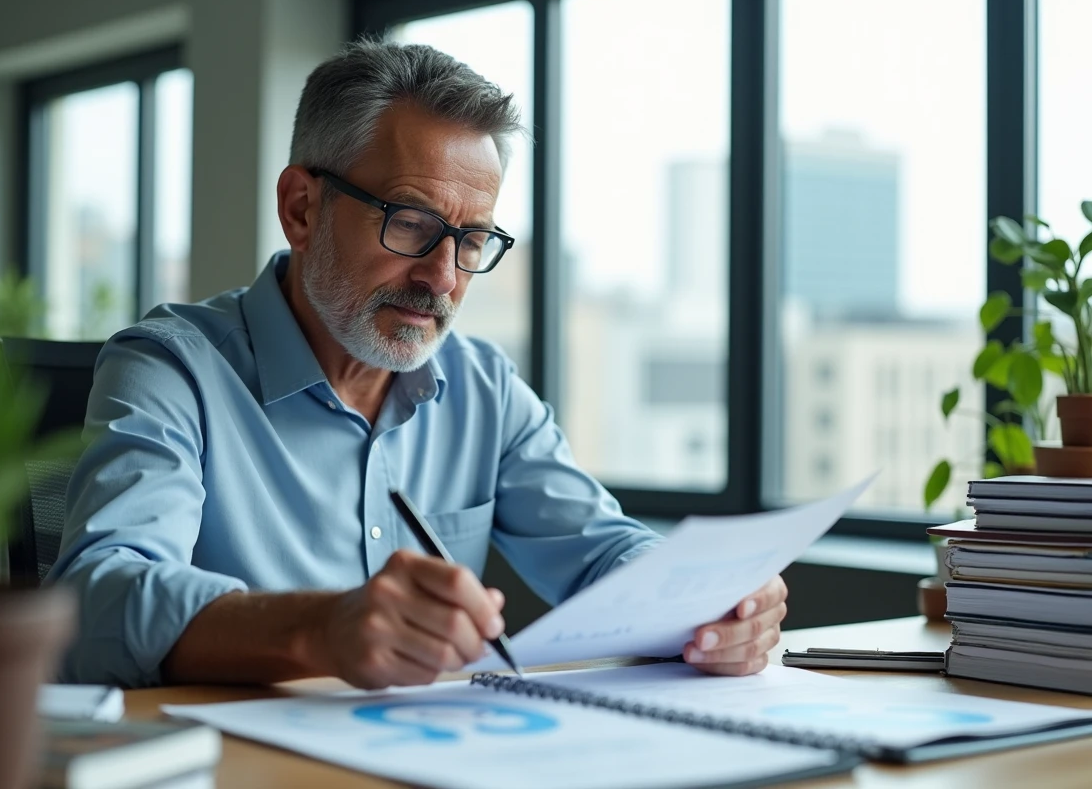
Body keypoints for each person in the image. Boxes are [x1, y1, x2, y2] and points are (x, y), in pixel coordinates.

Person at [48, 39, 787, 689]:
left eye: (471, 240)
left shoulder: (483, 388)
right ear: (302, 208)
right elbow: (99, 597)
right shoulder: (172, 370)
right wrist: (322, 629)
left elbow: (602, 552)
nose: (443, 277)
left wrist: (710, 601)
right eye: (411, 223)